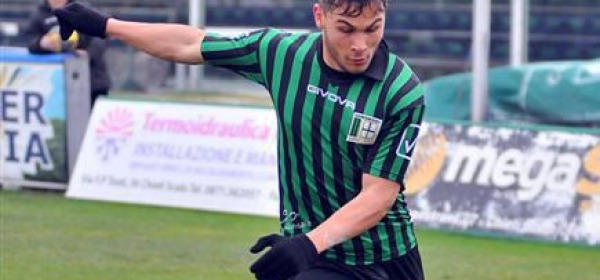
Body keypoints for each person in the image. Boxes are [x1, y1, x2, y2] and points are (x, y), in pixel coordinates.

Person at [53, 0, 425, 279]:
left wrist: (309, 242)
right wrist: (105, 25)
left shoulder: (401, 91)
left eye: (373, 28)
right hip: (319, 257)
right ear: (319, 16)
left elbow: (378, 196)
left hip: (384, 258)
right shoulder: (282, 54)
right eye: (347, 29)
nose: (362, 44)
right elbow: (190, 44)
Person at [25, 0, 112, 109]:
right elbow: (29, 39)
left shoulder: (82, 8)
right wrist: (41, 43)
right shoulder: (39, 13)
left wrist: (88, 55)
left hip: (91, 80)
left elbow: (102, 36)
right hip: (57, 84)